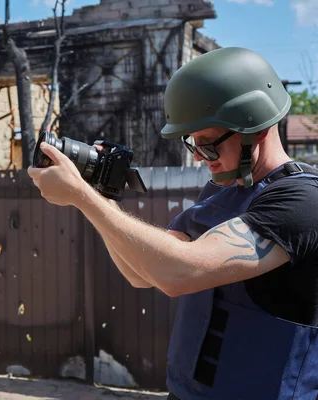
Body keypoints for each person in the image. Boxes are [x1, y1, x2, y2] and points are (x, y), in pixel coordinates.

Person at [27, 47, 318, 400]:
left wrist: (82, 197)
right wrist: (97, 197)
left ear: (254, 127)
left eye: (208, 145)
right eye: (191, 143)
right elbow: (142, 273)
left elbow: (179, 272)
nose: (198, 156)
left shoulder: (302, 202)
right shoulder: (221, 192)